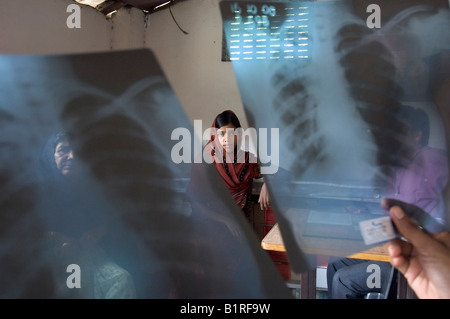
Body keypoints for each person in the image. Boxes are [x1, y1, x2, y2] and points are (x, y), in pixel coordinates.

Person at [326, 105, 448, 298]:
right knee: (335, 262)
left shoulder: (433, 160)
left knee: (344, 279)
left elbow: (426, 217)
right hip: (397, 247)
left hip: (418, 259)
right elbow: (395, 210)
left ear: (417, 135)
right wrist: (363, 211)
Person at [37, 131, 136, 298]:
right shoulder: (39, 191)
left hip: (90, 256)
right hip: (51, 260)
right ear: (51, 156)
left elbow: (109, 223)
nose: (71, 156)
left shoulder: (93, 189)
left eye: (77, 151)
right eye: (63, 150)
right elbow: (30, 235)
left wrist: (97, 234)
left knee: (122, 278)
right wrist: (57, 238)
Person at [204, 110, 270, 219]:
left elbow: (277, 171)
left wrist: (268, 184)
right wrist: (224, 220)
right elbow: (196, 200)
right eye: (221, 134)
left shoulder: (248, 160)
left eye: (232, 133)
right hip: (211, 223)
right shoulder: (207, 160)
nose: (226, 139)